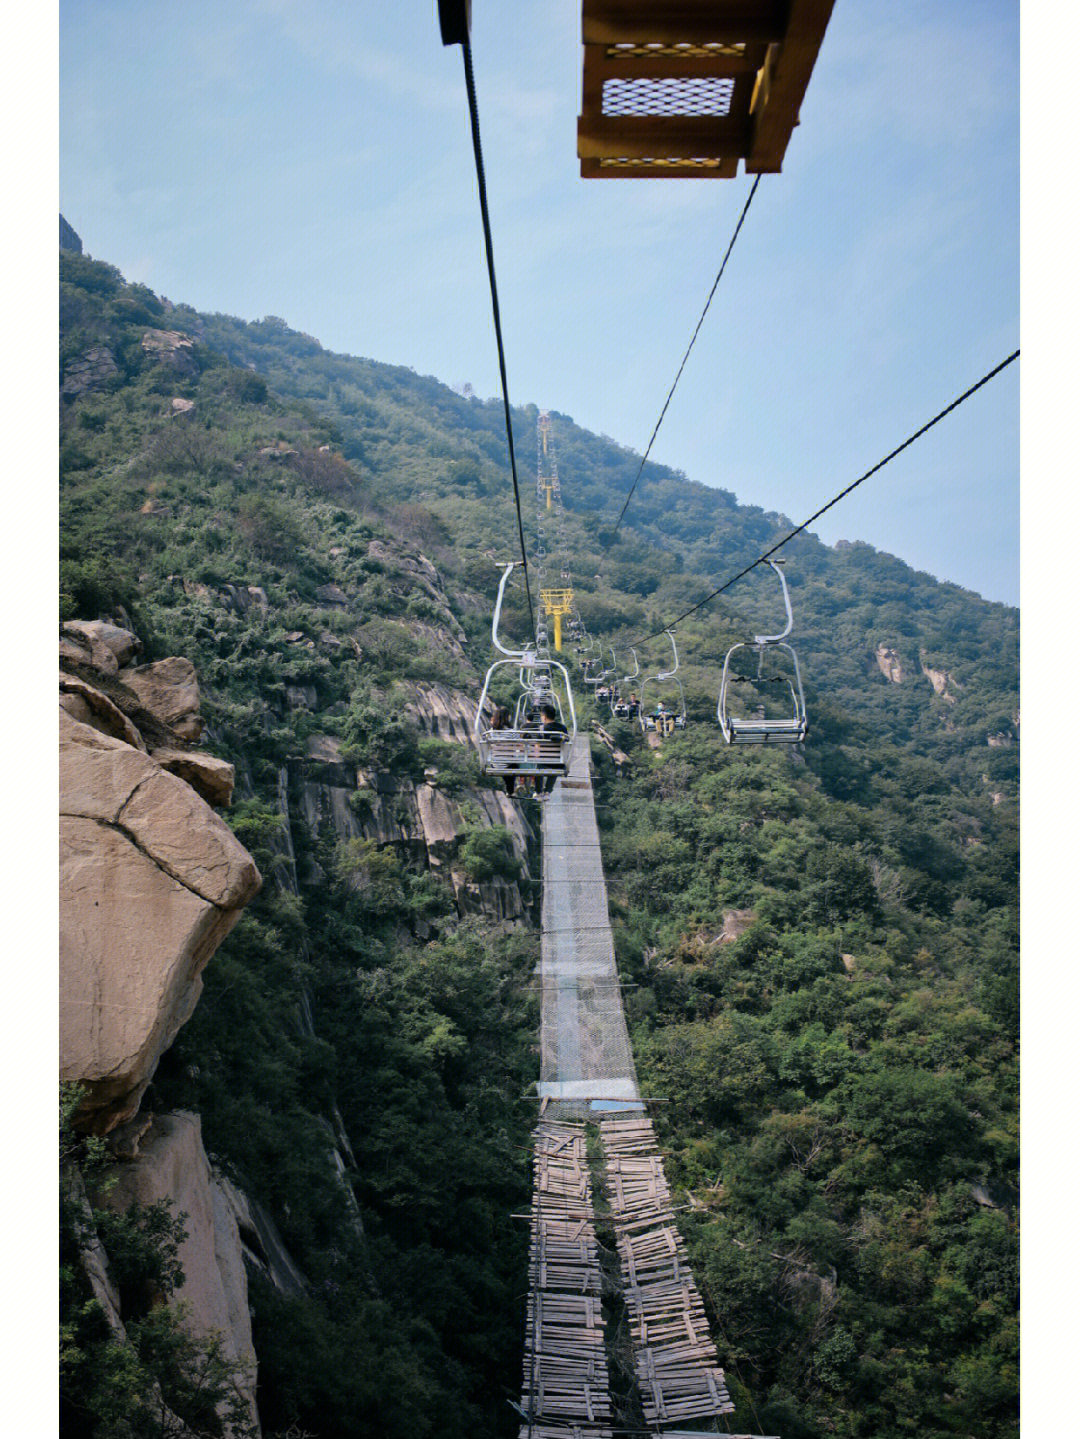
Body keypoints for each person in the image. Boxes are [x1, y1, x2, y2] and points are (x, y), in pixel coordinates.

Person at [534, 702, 568, 797]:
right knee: (555, 766)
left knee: (539, 767)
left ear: (544, 717)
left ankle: (538, 791)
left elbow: (537, 745)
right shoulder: (563, 728)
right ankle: (548, 791)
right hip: (558, 762)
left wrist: (536, 758)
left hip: (544, 762)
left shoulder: (542, 728)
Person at [490, 705, 521, 797]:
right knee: (512, 763)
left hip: (494, 763)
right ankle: (510, 790)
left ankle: (510, 790)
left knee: (505, 762)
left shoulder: (491, 732)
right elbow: (519, 744)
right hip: (508, 764)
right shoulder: (512, 732)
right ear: (507, 717)